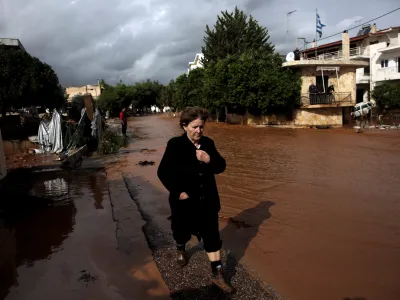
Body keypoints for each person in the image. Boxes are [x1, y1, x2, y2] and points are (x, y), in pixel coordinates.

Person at [157, 106, 234, 293]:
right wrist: (178, 191)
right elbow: (163, 172)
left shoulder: (208, 143)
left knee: (212, 238)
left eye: (201, 126)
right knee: (180, 230)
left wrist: (209, 160)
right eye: (195, 127)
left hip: (207, 200)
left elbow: (221, 167)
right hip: (183, 201)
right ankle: (181, 248)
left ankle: (217, 275)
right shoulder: (174, 145)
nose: (199, 131)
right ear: (184, 126)